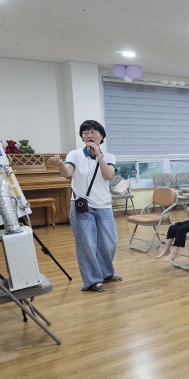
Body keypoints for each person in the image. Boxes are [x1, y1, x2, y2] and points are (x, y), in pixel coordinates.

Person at [52, 120, 120, 292]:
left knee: (109, 243)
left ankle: (106, 273)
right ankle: (92, 281)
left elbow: (108, 175)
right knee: (87, 245)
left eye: (93, 132)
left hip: (104, 206)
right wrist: (60, 165)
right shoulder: (75, 154)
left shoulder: (109, 157)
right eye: (85, 133)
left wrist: (99, 155)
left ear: (101, 136)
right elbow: (67, 173)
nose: (89, 135)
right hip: (82, 206)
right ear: (82, 137)